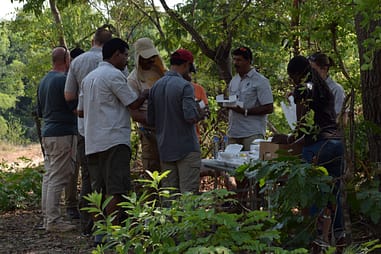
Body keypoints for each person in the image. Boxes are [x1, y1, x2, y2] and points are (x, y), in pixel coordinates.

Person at [273, 55, 345, 253]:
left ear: (297, 74)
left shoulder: (302, 89)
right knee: (334, 194)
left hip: (318, 146)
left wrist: (285, 139)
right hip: (337, 144)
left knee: (312, 194)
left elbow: (301, 127)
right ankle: (340, 239)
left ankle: (316, 242)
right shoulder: (322, 87)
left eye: (291, 77)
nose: (292, 81)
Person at [77, 38, 148, 237]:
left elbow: (80, 111)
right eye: (125, 55)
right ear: (116, 54)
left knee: (98, 188)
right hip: (113, 140)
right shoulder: (114, 76)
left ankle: (100, 232)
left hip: (92, 140)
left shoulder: (88, 79)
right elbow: (133, 104)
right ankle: (114, 232)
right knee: (115, 188)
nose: (127, 60)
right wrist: (147, 93)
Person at [64, 27, 112, 235]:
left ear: (93, 40)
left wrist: (81, 111)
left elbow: (68, 95)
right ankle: (110, 226)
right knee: (111, 178)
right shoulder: (115, 61)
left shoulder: (78, 61)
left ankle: (87, 224)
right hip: (111, 129)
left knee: (88, 177)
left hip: (85, 129)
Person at [147, 49, 204, 195]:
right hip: (186, 148)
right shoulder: (185, 86)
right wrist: (201, 113)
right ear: (186, 65)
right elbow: (190, 117)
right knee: (188, 195)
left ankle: (168, 219)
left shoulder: (155, 87)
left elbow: (151, 120)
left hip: (165, 148)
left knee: (169, 195)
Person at [37, 46, 77, 232]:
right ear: (67, 60)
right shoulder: (63, 80)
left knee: (49, 175)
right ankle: (53, 220)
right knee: (58, 176)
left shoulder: (44, 81)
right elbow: (73, 106)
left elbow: (39, 111)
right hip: (62, 134)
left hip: (48, 133)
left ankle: (47, 217)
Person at [127, 37, 166, 172]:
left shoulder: (159, 72)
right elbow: (134, 113)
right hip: (149, 132)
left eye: (152, 56)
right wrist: (155, 118)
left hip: (168, 130)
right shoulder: (133, 80)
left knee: (169, 169)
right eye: (146, 57)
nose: (150, 60)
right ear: (138, 58)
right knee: (152, 169)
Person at [226, 47, 274, 151]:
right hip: (233, 133)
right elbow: (232, 102)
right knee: (230, 165)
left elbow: (269, 108)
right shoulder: (234, 80)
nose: (235, 63)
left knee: (251, 165)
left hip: (252, 134)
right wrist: (226, 105)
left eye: (239, 60)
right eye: (234, 59)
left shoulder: (260, 81)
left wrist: (246, 111)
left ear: (248, 61)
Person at [308, 52, 346, 122]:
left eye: (313, 70)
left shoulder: (337, 89)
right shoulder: (309, 86)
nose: (310, 73)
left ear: (324, 69)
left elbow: (342, 120)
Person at [183, 64, 209, 141]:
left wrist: (199, 110)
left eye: (191, 73)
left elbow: (205, 110)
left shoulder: (198, 89)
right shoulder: (172, 88)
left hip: (193, 135)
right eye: (188, 72)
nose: (190, 76)